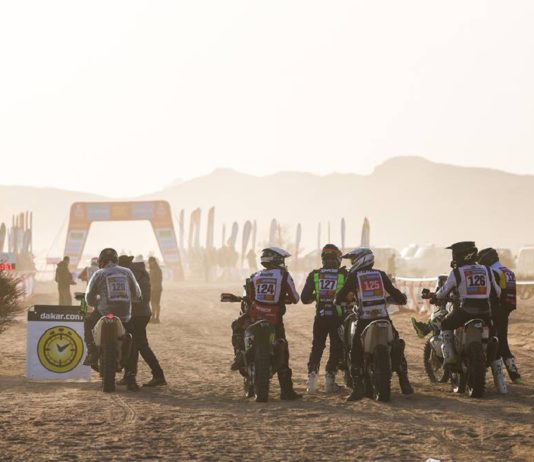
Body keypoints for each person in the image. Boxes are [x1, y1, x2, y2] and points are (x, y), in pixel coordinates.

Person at [335, 247, 413, 401]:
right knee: (396, 343)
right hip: (383, 317)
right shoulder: (380, 274)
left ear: (361, 259)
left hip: (364, 319)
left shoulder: (354, 276)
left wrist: (340, 300)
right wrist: (401, 298)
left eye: (353, 260)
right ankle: (404, 379)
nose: (352, 263)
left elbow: (340, 297)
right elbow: (395, 293)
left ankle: (358, 388)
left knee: (355, 351)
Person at [230, 247, 301, 400]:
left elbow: (250, 298)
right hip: (274, 320)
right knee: (283, 352)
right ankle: (286, 391)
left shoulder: (255, 276)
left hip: (255, 317)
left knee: (236, 326)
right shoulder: (283, 275)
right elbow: (295, 298)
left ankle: (239, 356)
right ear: (277, 260)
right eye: (282, 260)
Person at [432, 242, 501, 367]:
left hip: (465, 311)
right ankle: (496, 367)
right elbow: (498, 292)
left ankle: (450, 356)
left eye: (455, 254)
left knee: (445, 324)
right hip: (485, 311)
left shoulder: (457, 272)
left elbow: (442, 293)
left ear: (463, 255)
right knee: (493, 335)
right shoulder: (487, 270)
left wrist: (435, 296)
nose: (453, 257)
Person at [83, 248, 142, 391]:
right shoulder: (127, 272)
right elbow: (137, 294)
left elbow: (89, 297)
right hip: (124, 315)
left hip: (104, 312)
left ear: (101, 262)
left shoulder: (98, 273)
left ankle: (92, 352)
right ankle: (131, 376)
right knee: (133, 341)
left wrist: (95, 303)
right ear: (116, 260)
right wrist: (132, 300)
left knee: (88, 323)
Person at [300, 244, 347, 393]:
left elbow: (304, 298)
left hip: (320, 317)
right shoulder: (344, 274)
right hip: (337, 317)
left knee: (317, 347)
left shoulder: (315, 274)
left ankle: (311, 382)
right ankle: (329, 381)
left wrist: (318, 296)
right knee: (336, 348)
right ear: (337, 258)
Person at [118, 255, 166, 387]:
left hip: (136, 314)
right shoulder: (140, 272)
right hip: (142, 313)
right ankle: (130, 375)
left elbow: (131, 296)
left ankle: (158, 375)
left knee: (140, 346)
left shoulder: (130, 275)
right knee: (133, 346)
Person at [478, 247, 522, 383]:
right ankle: (514, 374)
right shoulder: (508, 271)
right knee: (502, 340)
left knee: (495, 341)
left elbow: (493, 293)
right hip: (507, 309)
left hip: (496, 310)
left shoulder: (493, 272)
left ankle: (506, 376)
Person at [148, 257, 163, 323]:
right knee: (152, 303)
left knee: (156, 303)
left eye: (150, 262)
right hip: (152, 289)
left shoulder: (157, 269)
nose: (149, 263)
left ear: (153, 261)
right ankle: (153, 317)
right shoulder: (151, 269)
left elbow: (159, 280)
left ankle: (157, 318)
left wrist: (154, 287)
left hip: (157, 289)